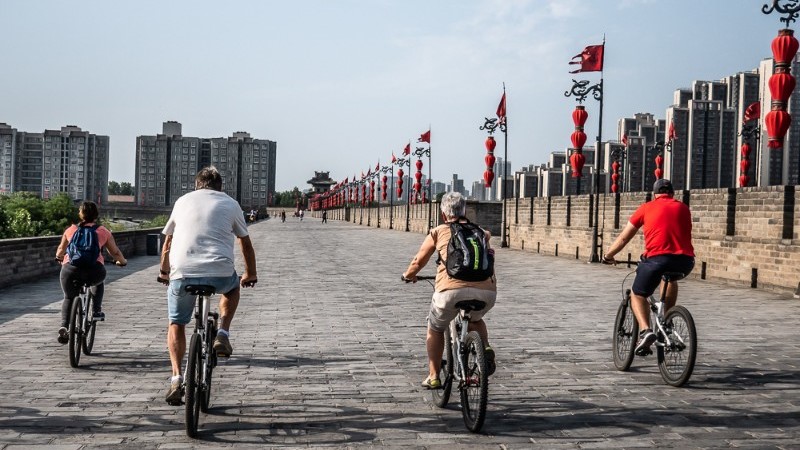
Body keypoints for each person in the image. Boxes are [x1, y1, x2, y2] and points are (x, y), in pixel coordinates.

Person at [156, 166, 258, 405]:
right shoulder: (231, 203)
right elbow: (245, 243)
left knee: (176, 323)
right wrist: (250, 273)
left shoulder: (182, 201)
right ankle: (223, 333)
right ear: (220, 187)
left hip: (183, 273)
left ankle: (176, 378)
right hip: (219, 272)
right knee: (233, 287)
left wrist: (164, 271)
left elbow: (168, 241)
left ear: (196, 185)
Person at [402, 192, 497, 389]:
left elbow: (418, 261)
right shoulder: (481, 232)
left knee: (435, 327)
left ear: (443, 214)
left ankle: (434, 375)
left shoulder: (438, 231)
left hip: (450, 291)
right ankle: (485, 347)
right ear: (464, 211)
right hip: (486, 291)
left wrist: (408, 275)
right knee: (476, 319)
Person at [603, 179, 695, 356]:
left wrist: (608, 256)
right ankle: (667, 320)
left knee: (637, 294)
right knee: (669, 278)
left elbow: (623, 238)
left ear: (655, 194)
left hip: (657, 260)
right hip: (685, 261)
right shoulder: (683, 208)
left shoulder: (646, 208)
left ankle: (646, 331)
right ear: (672, 193)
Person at [55, 201, 127, 344]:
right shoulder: (103, 231)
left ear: (81, 214)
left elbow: (61, 250)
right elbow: (115, 252)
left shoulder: (71, 230)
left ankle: (64, 326)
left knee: (69, 297)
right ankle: (96, 311)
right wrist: (122, 262)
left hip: (70, 269)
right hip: (93, 270)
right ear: (96, 215)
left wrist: (59, 257)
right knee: (98, 281)